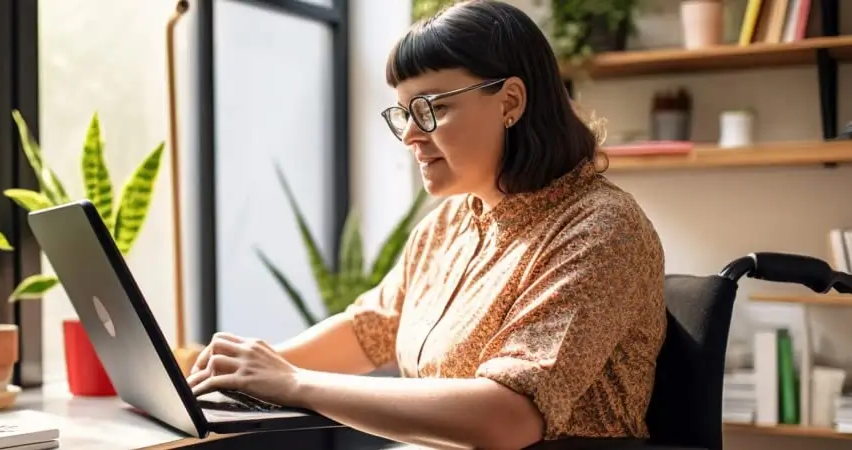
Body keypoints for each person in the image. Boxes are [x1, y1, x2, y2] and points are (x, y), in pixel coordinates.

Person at [185, 1, 666, 449]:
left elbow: (509, 416)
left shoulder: (602, 229)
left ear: (510, 101)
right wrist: (242, 372)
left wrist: (292, 383)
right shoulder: (450, 224)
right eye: (404, 113)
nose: (411, 135)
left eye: (432, 108)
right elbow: (370, 330)